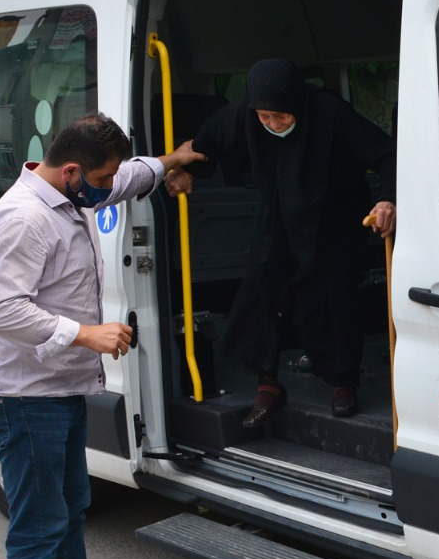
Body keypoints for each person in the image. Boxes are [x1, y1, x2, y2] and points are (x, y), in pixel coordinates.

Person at [0, 113, 205, 559]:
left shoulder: (71, 195)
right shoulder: (24, 219)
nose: (110, 185)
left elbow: (127, 179)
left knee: (71, 505)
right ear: (73, 169)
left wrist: (172, 161)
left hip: (60, 388)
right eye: (101, 175)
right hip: (23, 396)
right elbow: (3, 312)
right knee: (38, 526)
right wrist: (84, 333)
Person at [166, 58, 396, 425]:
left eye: (281, 116)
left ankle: (343, 383)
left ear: (296, 104)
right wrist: (187, 169)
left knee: (332, 299)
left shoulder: (331, 114)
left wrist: (386, 199)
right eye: (265, 117)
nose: (272, 124)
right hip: (278, 220)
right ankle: (268, 383)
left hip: (332, 223)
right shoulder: (246, 113)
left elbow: (386, 154)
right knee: (259, 291)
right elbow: (209, 141)